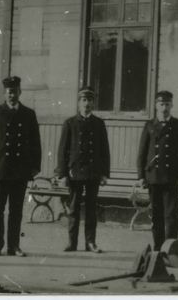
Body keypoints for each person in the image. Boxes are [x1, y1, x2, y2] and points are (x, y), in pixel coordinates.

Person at [0, 76, 42, 256]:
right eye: (9, 92)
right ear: (4, 93)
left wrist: (36, 165)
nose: (12, 95)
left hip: (20, 169)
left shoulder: (28, 114)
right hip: (0, 168)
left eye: (15, 91)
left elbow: (35, 142)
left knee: (16, 211)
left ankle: (14, 246)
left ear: (20, 92)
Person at [55, 86, 111, 253]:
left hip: (93, 172)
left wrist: (104, 174)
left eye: (90, 100)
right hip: (75, 172)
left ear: (93, 103)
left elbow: (104, 150)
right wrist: (62, 174)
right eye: (84, 100)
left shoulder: (99, 123)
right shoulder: (70, 123)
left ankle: (90, 243)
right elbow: (62, 150)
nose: (87, 103)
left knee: (91, 209)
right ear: (79, 103)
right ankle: (72, 243)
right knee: (73, 209)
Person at [136, 90, 178, 251]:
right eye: (161, 104)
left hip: (172, 178)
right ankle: (158, 247)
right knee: (156, 215)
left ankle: (171, 248)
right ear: (156, 105)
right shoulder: (149, 125)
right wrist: (141, 176)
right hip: (153, 177)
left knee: (172, 216)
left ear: (172, 105)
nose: (164, 108)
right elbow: (142, 153)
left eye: (167, 104)